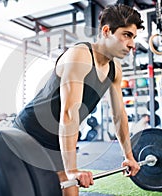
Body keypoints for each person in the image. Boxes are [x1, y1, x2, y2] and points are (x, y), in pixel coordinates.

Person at [13, 4, 144, 195]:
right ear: (107, 31)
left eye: (133, 37)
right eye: (126, 35)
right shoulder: (80, 56)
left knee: (70, 192)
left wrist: (129, 156)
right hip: (28, 133)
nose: (132, 44)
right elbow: (69, 112)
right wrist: (72, 170)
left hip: (56, 139)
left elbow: (119, 116)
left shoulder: (115, 70)